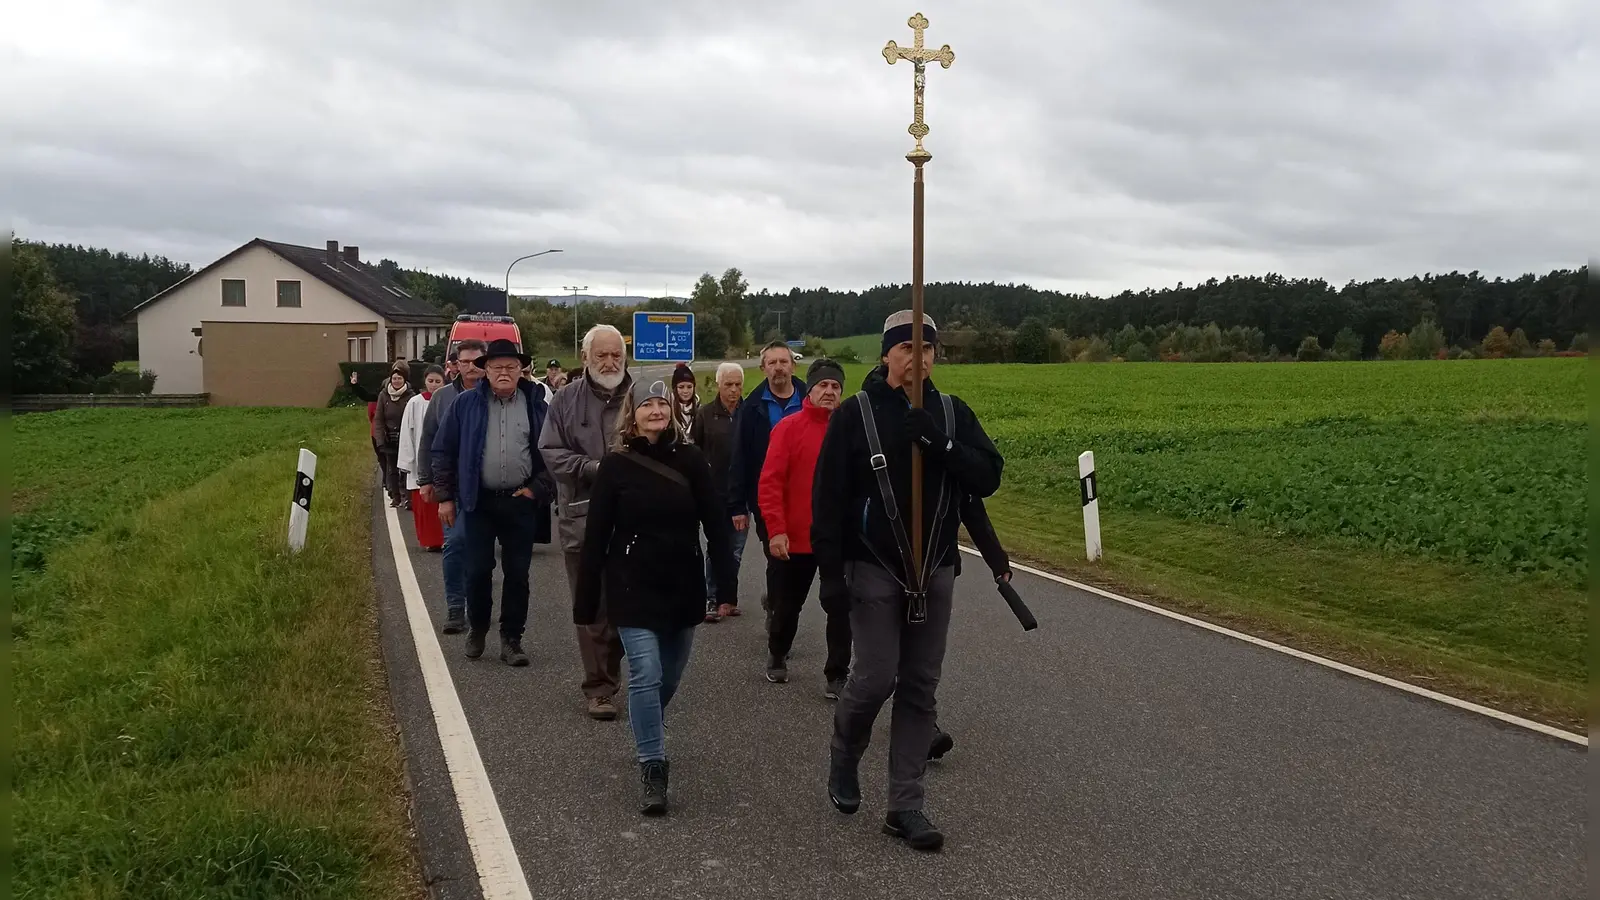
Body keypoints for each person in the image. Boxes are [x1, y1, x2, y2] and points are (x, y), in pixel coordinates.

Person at [812, 310, 1003, 852]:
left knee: (920, 685)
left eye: (927, 350)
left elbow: (988, 475)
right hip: (873, 565)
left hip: (936, 567)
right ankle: (845, 752)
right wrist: (830, 577)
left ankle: (905, 805)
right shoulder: (856, 414)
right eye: (907, 349)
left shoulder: (951, 412)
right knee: (875, 678)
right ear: (886, 354)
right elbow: (827, 501)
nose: (918, 359)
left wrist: (941, 444)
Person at [575, 378, 738, 816]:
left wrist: (726, 586)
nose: (656, 411)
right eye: (647, 404)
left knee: (668, 677)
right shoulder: (615, 466)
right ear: (633, 413)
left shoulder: (691, 459)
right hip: (632, 583)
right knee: (645, 674)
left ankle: (646, 719)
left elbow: (716, 524)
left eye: (661, 404)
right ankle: (653, 764)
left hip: (682, 583)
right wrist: (587, 601)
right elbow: (596, 536)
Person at [431, 339, 555, 667]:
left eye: (511, 367)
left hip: (520, 502)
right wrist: (445, 498)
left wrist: (536, 490)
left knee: (518, 574)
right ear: (485, 370)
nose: (504, 372)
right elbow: (443, 451)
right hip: (478, 503)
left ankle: (511, 638)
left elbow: (553, 453)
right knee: (476, 571)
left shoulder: (537, 405)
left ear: (521, 370)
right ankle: (478, 627)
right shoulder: (465, 404)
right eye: (497, 366)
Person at [539, 324, 631, 721]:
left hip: (634, 523)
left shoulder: (641, 395)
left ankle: (621, 672)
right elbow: (550, 452)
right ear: (585, 357)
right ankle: (599, 688)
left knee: (630, 606)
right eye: (601, 356)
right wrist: (593, 468)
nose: (609, 362)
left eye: (616, 355)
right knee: (592, 607)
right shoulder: (565, 400)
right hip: (582, 520)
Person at [757, 358, 850, 694]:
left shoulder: (850, 431)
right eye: (823, 385)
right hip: (796, 537)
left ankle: (837, 673)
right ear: (809, 390)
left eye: (835, 386)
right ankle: (778, 651)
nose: (829, 391)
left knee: (840, 607)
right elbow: (770, 483)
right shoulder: (788, 428)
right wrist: (776, 530)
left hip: (838, 539)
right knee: (787, 605)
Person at [727, 341, 808, 623]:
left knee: (800, 561)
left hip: (805, 495)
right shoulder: (751, 407)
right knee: (777, 557)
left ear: (793, 366)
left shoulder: (810, 399)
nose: (778, 368)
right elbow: (740, 456)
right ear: (763, 369)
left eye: (783, 362)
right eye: (772, 363)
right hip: (765, 497)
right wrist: (738, 505)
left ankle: (778, 600)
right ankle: (778, 613)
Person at [417, 340, 487, 635]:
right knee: (455, 542)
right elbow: (429, 439)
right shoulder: (443, 397)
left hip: (488, 486)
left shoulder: (496, 394)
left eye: (476, 361)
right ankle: (456, 607)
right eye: (464, 362)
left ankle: (479, 608)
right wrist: (426, 480)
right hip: (452, 485)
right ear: (456, 365)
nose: (470, 367)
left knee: (481, 550)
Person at [689, 363, 747, 622]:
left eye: (738, 385)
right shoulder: (705, 414)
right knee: (716, 548)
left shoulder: (749, 412)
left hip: (741, 494)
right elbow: (695, 451)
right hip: (714, 493)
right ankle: (712, 597)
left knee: (735, 549)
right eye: (728, 385)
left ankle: (729, 598)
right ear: (719, 385)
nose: (733, 390)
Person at [397, 365, 448, 551]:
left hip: (443, 459)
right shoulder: (415, 402)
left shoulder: (448, 400)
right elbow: (407, 431)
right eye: (430, 381)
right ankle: (430, 540)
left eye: (438, 381)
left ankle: (445, 539)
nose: (434, 385)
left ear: (444, 382)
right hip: (421, 461)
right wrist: (408, 461)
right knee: (425, 504)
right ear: (425, 381)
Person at [374, 363, 416, 508]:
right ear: (390, 380)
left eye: (399, 378)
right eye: (394, 378)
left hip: (405, 438)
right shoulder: (383, 395)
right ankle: (396, 497)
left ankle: (408, 498)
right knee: (392, 469)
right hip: (389, 438)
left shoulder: (411, 396)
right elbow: (378, 418)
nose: (397, 381)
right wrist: (380, 440)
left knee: (406, 469)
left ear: (404, 380)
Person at [670, 363, 699, 437]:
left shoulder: (701, 409)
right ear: (675, 388)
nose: (685, 391)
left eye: (689, 387)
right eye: (681, 387)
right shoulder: (668, 409)